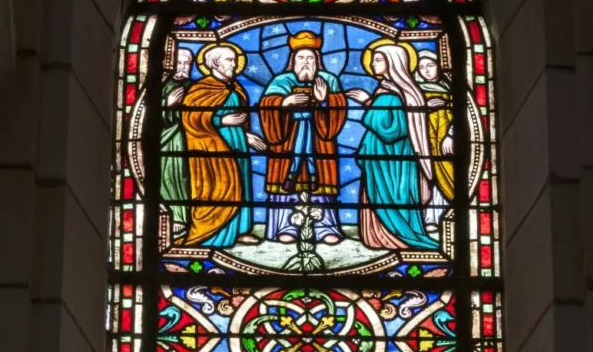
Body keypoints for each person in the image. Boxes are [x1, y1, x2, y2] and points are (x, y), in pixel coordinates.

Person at [258, 30, 347, 244]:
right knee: (286, 183)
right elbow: (266, 106)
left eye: (310, 58)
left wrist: (325, 100)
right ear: (292, 60)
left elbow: (339, 108)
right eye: (300, 58)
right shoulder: (281, 80)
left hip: (320, 140)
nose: (305, 62)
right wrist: (284, 103)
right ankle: (285, 227)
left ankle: (325, 228)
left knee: (321, 185)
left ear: (317, 60)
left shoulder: (328, 80)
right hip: (287, 139)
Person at [347, 41, 435, 251]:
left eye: (378, 60)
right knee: (378, 194)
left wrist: (368, 102)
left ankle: (394, 236)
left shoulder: (394, 94)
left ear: (392, 63)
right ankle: (379, 236)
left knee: (391, 196)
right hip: (381, 156)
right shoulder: (391, 91)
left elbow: (391, 129)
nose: (373, 64)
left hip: (392, 158)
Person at [179, 42, 265, 249]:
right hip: (213, 144)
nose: (234, 65)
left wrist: (246, 135)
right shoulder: (201, 89)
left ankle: (239, 231)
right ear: (215, 63)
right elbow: (191, 119)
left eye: (234, 60)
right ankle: (215, 234)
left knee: (241, 184)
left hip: (237, 140)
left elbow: (240, 116)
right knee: (221, 186)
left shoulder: (235, 86)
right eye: (229, 60)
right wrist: (221, 121)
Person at [416, 51, 454, 233]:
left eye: (430, 66)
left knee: (446, 174)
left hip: (445, 140)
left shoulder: (451, 89)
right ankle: (429, 217)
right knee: (428, 176)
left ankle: (444, 213)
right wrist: (424, 107)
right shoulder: (416, 90)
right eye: (422, 67)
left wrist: (451, 135)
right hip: (425, 139)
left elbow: (464, 115)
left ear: (438, 65)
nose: (426, 71)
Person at [160, 42, 193, 239]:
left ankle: (186, 217)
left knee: (186, 178)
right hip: (168, 142)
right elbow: (145, 119)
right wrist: (168, 104)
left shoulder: (195, 87)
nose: (182, 67)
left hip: (192, 140)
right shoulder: (163, 87)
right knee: (168, 176)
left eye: (186, 63)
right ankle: (175, 217)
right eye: (178, 62)